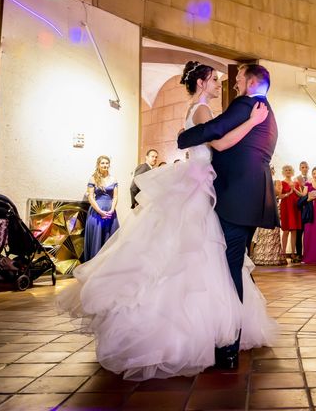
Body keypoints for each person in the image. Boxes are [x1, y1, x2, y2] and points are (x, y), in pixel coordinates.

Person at [58, 62, 276, 380]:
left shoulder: (199, 107)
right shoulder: (203, 110)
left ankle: (221, 332)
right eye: (214, 79)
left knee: (199, 251)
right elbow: (219, 142)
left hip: (204, 182)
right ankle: (213, 333)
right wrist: (251, 122)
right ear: (201, 83)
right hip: (202, 184)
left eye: (224, 78)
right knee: (201, 252)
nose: (221, 83)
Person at [176, 63, 279, 370]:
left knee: (228, 267)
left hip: (235, 198)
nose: (232, 84)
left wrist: (184, 137)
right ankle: (225, 336)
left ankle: (228, 344)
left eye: (237, 79)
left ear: (250, 82)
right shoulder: (266, 113)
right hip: (246, 198)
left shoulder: (248, 104)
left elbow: (217, 131)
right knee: (227, 264)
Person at [83, 156, 119, 261]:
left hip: (110, 213)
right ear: (98, 165)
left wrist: (112, 210)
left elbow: (115, 196)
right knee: (97, 239)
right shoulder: (93, 178)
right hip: (96, 212)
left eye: (107, 163)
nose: (105, 165)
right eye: (103, 163)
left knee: (110, 239)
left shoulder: (113, 179)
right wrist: (100, 211)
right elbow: (90, 196)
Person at [251, 167, 287, 266]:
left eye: (271, 171)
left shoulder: (276, 182)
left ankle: (274, 257)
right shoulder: (260, 181)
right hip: (264, 209)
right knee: (263, 234)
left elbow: (279, 194)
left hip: (273, 208)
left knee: (273, 232)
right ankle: (261, 256)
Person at [279, 165, 302, 262]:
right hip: (286, 208)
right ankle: (284, 253)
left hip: (295, 208)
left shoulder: (296, 183)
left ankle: (293, 253)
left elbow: (301, 195)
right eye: (286, 170)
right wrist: (289, 193)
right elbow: (279, 196)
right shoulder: (281, 182)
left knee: (294, 231)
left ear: (292, 171)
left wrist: (294, 189)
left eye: (289, 170)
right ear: (284, 172)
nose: (288, 171)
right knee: (286, 231)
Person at [294, 161, 310, 259]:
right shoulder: (296, 179)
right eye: (302, 167)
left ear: (308, 168)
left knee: (308, 231)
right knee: (299, 231)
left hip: (308, 207)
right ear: (300, 168)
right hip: (299, 208)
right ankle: (299, 253)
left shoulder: (311, 179)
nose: (304, 169)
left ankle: (308, 253)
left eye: (306, 167)